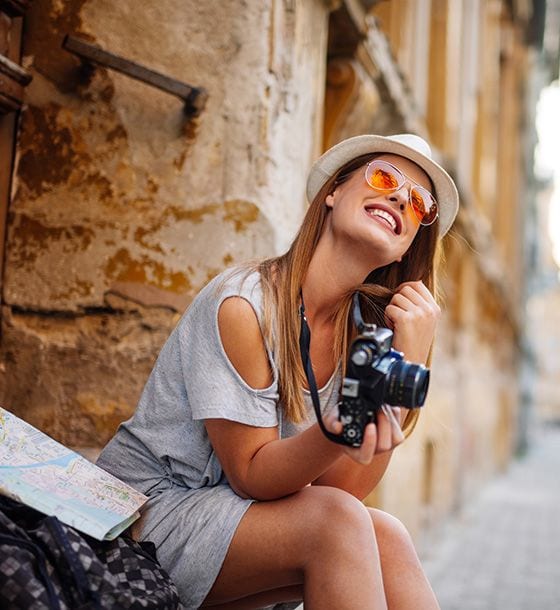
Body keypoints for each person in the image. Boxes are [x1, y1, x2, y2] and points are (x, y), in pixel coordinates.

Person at [97, 133, 459, 610]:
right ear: (333, 192)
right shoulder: (245, 304)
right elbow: (251, 474)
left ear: (404, 249)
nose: (399, 196)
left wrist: (403, 369)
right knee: (336, 524)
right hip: (138, 516)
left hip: (235, 518)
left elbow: (341, 491)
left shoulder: (363, 339)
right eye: (384, 177)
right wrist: (335, 431)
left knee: (384, 532)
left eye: (418, 202)